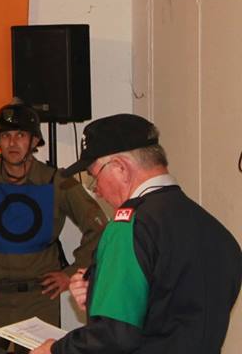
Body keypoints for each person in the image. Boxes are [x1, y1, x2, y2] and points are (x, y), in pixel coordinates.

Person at [29, 113, 242, 354]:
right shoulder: (216, 231)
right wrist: (99, 293)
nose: (97, 190)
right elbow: (175, 311)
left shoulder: (129, 226)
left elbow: (114, 336)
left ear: (120, 168)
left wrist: (55, 350)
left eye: (94, 177)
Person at [0, 102, 107, 353]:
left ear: (34, 141)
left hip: (39, 299)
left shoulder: (57, 181)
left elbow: (99, 227)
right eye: (6, 136)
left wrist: (71, 273)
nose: (12, 143)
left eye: (21, 135)